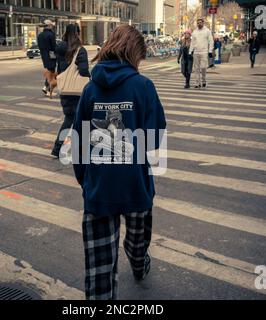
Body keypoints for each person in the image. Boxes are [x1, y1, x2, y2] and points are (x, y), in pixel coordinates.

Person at [72, 24, 166, 300]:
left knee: (99, 272)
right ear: (135, 53)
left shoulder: (90, 90)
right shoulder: (144, 87)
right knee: (138, 246)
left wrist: (87, 181)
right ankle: (139, 265)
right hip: (136, 187)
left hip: (99, 190)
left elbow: (78, 141)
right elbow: (155, 137)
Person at [51, 24, 90, 158]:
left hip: (65, 90)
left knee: (69, 119)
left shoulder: (60, 48)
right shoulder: (80, 50)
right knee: (84, 119)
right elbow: (84, 71)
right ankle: (83, 149)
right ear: (77, 34)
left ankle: (57, 149)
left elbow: (59, 68)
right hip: (78, 92)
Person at [189, 17, 214, 88]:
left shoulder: (207, 31)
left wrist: (210, 51)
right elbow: (192, 43)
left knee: (203, 67)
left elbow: (211, 41)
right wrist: (190, 51)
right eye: (198, 23)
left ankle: (204, 81)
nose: (199, 24)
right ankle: (197, 83)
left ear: (203, 23)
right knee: (196, 68)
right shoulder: (195, 32)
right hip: (196, 52)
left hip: (204, 52)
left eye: (200, 22)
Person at [37, 19, 57, 95]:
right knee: (51, 71)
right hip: (51, 55)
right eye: (51, 25)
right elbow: (54, 46)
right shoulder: (51, 35)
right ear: (49, 26)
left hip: (44, 56)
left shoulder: (40, 35)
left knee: (50, 70)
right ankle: (46, 88)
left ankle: (47, 88)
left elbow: (40, 46)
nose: (52, 27)